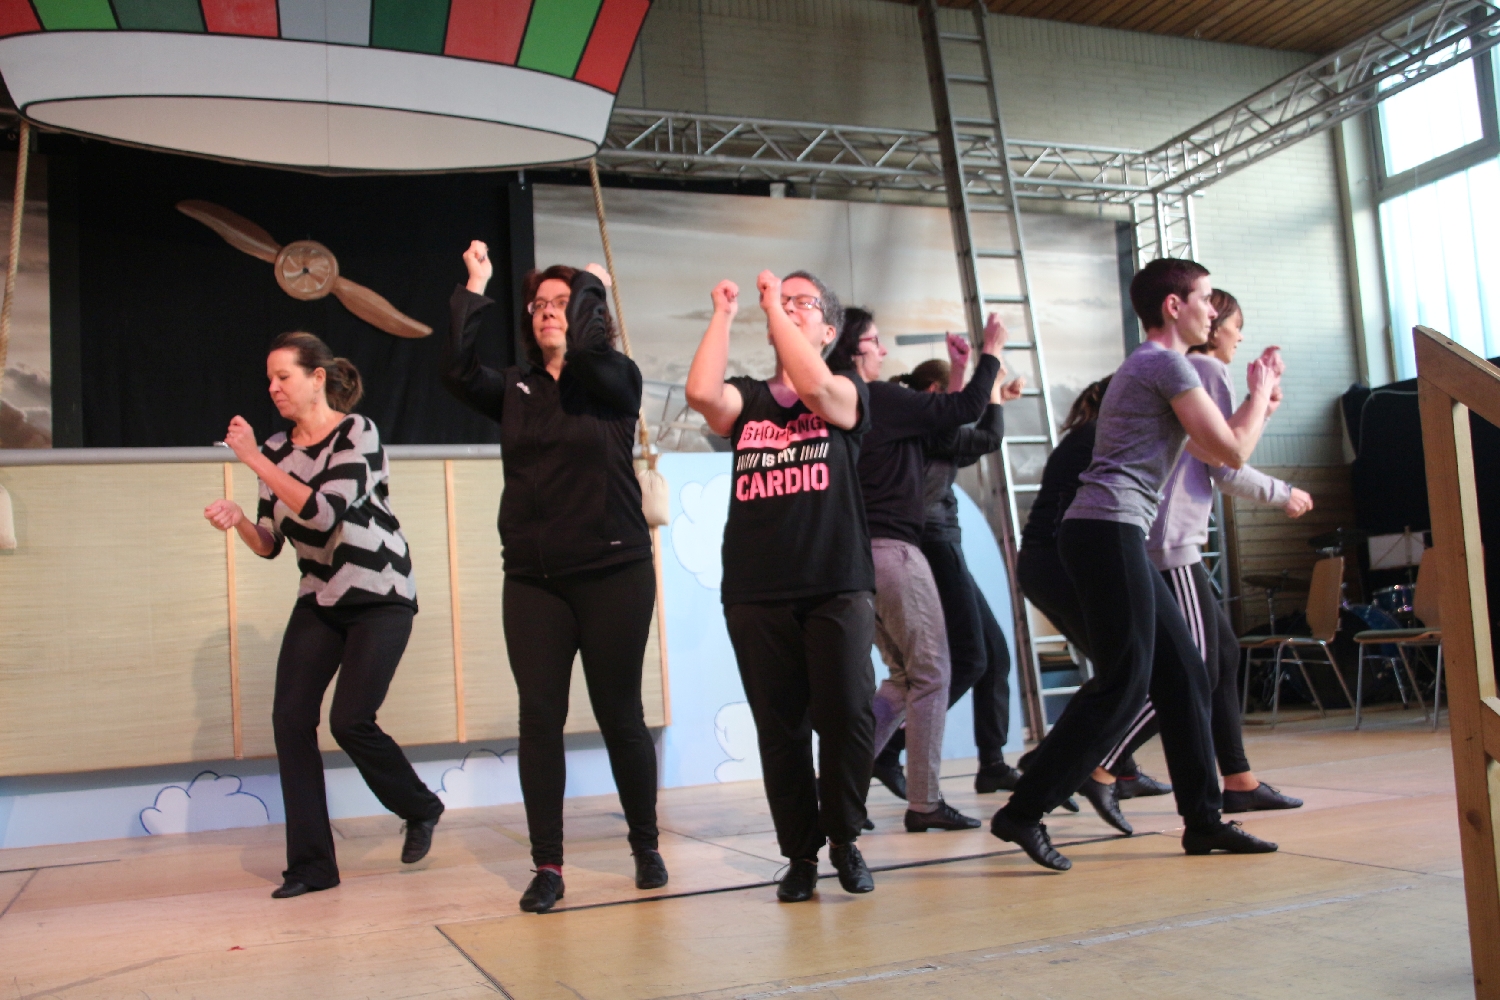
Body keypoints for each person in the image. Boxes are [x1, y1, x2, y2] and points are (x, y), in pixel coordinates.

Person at [990, 257, 1282, 871]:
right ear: (1174, 306)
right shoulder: (1165, 364)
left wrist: (1257, 407)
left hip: (1114, 531)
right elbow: (1231, 452)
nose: (1213, 312)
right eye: (1205, 298)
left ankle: (1203, 822)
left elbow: (1213, 448)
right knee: (1125, 681)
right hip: (1105, 530)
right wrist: (1258, 394)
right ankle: (1024, 809)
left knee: (1185, 675)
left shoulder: (1154, 366)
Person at [443, 242, 663, 914]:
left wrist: (591, 285)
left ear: (587, 314)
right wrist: (476, 285)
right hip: (534, 580)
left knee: (620, 714)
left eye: (560, 304)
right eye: (539, 304)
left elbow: (597, 358)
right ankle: (547, 864)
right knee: (539, 718)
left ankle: (645, 844)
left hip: (614, 572)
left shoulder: (614, 381)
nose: (545, 312)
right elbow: (457, 372)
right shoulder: (516, 388)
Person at [204, 332, 444, 899]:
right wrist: (240, 519)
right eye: (268, 379)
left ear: (317, 378)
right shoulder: (273, 449)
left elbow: (322, 513)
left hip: (379, 592)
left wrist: (253, 459)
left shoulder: (357, 432)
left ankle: (420, 807)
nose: (273, 388)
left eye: (283, 376)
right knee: (290, 719)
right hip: (321, 594)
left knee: (350, 720)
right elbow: (271, 544)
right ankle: (312, 867)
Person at [686, 269, 877, 903]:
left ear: (829, 330)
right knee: (781, 729)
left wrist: (772, 306)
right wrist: (724, 313)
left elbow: (816, 387)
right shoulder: (749, 399)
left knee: (848, 715)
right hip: (757, 589)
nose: (790, 308)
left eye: (804, 303)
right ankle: (800, 853)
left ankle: (844, 836)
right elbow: (701, 394)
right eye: (783, 300)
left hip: (836, 584)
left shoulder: (844, 390)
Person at [831, 308, 1002, 833]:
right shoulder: (878, 398)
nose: (884, 351)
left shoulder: (840, 404)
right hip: (894, 552)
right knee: (932, 675)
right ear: (854, 349)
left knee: (904, 678)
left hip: (857, 560)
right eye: (875, 341)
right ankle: (924, 801)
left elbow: (950, 420)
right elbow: (967, 409)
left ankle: (839, 793)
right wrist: (991, 354)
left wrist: (961, 370)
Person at [1141, 288, 1310, 813]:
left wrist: (1263, 404)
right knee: (1191, 670)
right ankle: (1098, 763)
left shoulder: (1195, 369)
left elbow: (1226, 444)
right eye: (1235, 324)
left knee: (1220, 656)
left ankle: (1237, 780)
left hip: (1170, 539)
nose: (1238, 334)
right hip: (1172, 542)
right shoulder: (1205, 369)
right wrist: (1283, 493)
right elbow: (1226, 462)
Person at [868, 349, 1025, 797]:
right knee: (969, 658)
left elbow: (971, 442)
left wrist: (996, 398)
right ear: (936, 393)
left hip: (937, 544)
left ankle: (991, 762)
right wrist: (992, 397)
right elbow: (985, 437)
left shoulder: (930, 430)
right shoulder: (924, 429)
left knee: (993, 655)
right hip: (931, 545)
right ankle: (888, 749)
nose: (963, 406)